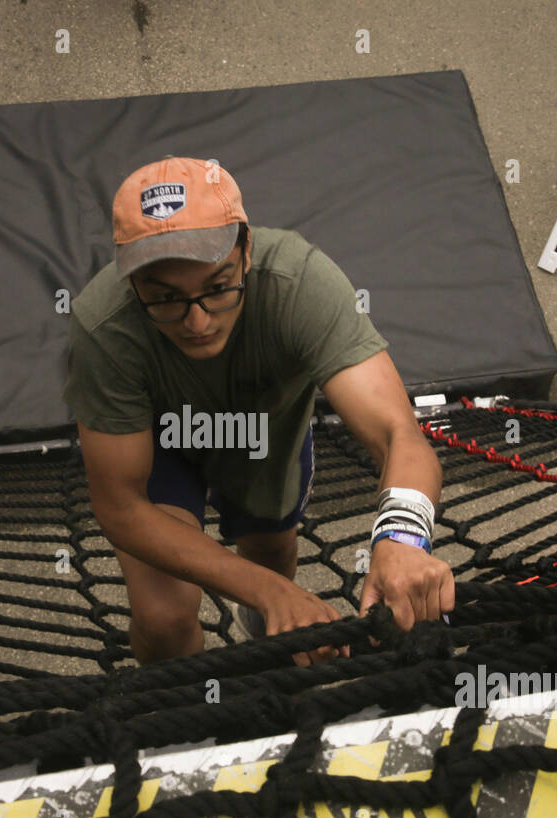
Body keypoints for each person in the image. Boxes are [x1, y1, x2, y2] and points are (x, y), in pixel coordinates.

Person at [63, 156, 454, 666]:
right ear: (130, 282)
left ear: (246, 252)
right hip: (162, 444)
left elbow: (397, 432)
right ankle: (181, 726)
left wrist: (403, 536)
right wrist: (272, 594)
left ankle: (266, 648)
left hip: (263, 434)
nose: (197, 321)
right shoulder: (103, 325)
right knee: (164, 618)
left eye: (218, 286)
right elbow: (121, 506)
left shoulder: (299, 280)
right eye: (165, 298)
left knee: (272, 556)